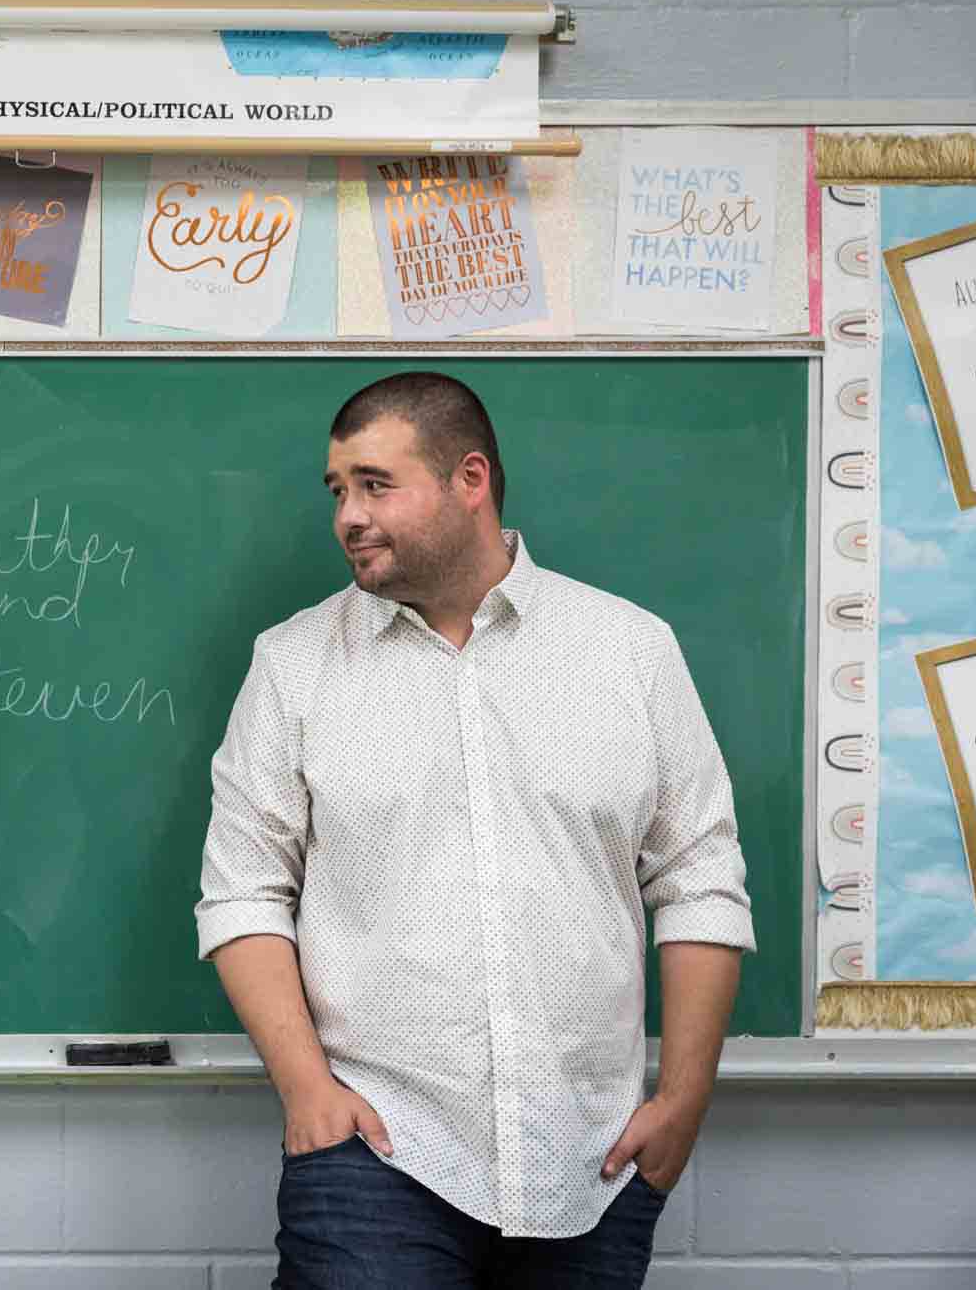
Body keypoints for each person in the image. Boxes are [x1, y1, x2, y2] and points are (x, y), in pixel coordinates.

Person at [196, 372, 753, 1289]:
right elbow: (244, 890)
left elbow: (700, 878)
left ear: (470, 479)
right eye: (337, 489)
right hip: (375, 1151)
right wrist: (306, 1089)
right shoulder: (292, 664)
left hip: (592, 1158)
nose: (348, 514)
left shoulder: (628, 650)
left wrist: (684, 1100)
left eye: (376, 484)